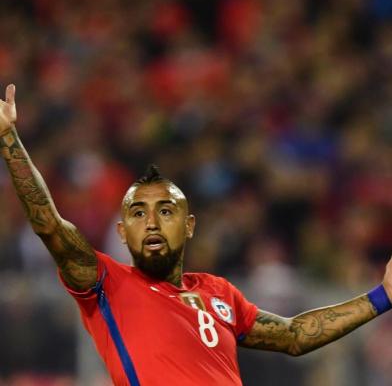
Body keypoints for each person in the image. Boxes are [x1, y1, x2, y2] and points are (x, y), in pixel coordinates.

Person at [0, 83, 391, 386]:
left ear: (189, 227)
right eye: (138, 213)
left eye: (165, 210)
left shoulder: (219, 293)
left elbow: (293, 335)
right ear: (122, 232)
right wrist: (8, 138)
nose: (151, 221)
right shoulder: (105, 284)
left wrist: (383, 295)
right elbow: (49, 223)